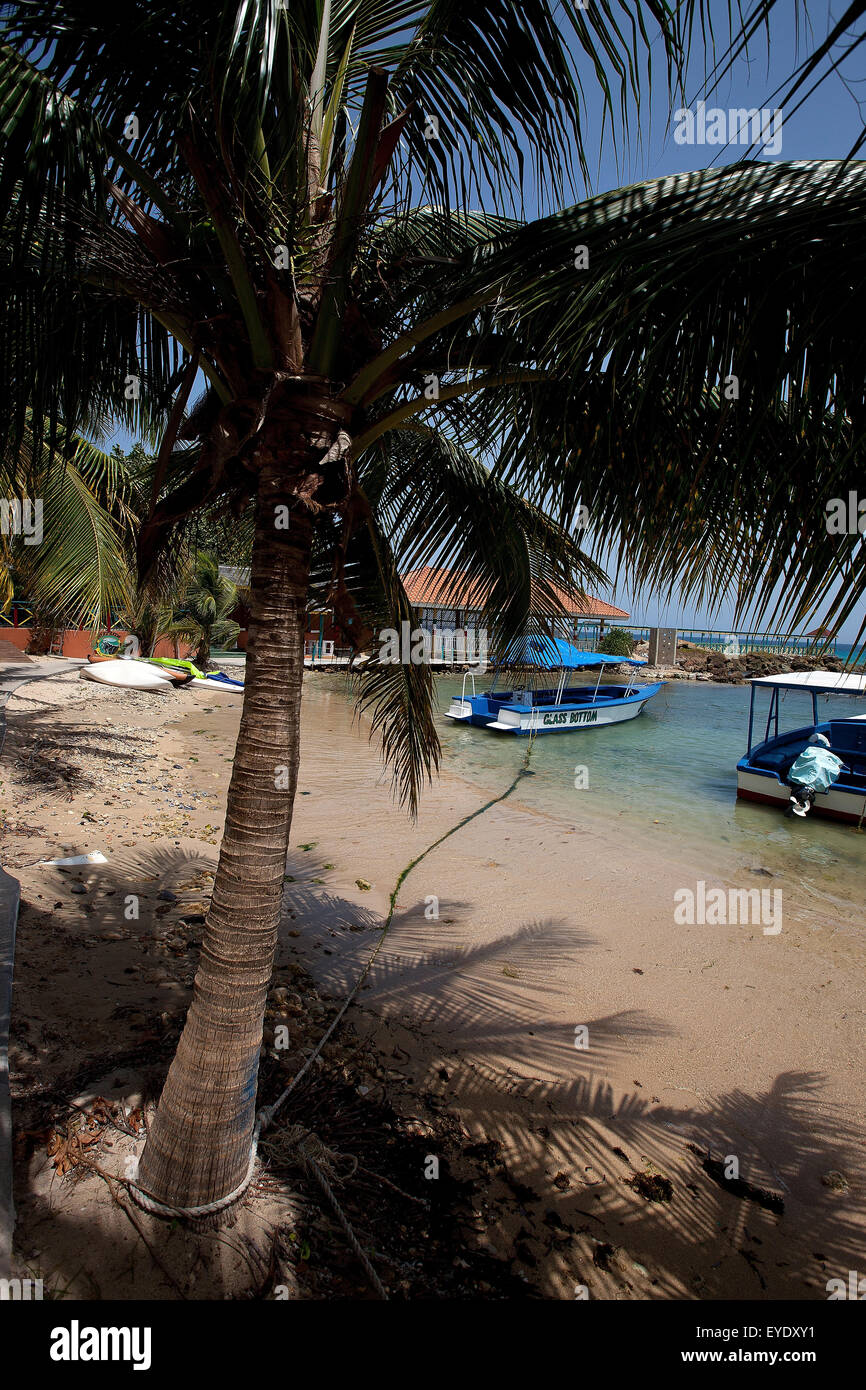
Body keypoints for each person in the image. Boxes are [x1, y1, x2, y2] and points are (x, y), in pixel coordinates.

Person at [785, 732, 844, 817]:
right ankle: (802, 797)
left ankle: (801, 798)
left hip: (804, 781)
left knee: (802, 783)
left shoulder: (811, 750)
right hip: (807, 782)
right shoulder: (814, 751)